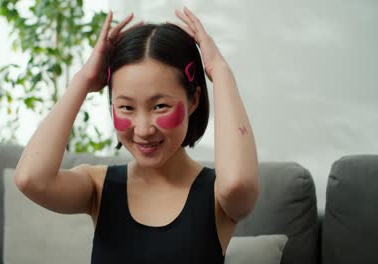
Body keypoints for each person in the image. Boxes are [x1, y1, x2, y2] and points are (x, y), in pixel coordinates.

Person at [14, 6, 259, 263]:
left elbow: (238, 184)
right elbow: (31, 179)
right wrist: (83, 79)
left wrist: (220, 70)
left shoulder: (218, 196)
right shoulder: (97, 187)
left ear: (194, 100)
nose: (143, 129)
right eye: (126, 107)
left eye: (159, 106)